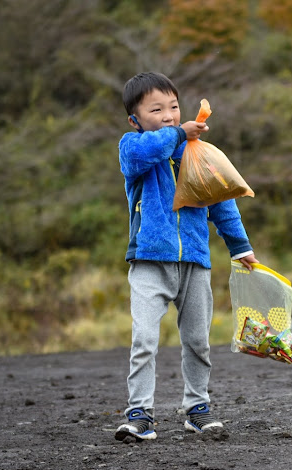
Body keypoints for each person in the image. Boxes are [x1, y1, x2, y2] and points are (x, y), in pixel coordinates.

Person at [115, 72, 258, 442]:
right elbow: (148, 153)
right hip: (148, 261)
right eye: (157, 109)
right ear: (136, 120)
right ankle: (139, 413)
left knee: (198, 340)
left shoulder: (197, 154)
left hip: (194, 262)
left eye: (174, 107)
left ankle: (197, 407)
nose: (168, 115)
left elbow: (221, 203)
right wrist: (179, 134)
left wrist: (239, 246)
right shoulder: (132, 147)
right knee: (144, 339)